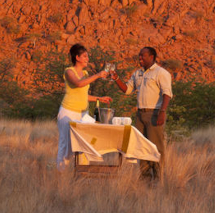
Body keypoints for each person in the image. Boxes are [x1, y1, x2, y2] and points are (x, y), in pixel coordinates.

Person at [111, 47, 172, 180]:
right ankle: (145, 178)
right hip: (140, 114)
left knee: (156, 147)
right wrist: (116, 79)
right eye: (139, 56)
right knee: (141, 146)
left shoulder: (161, 73)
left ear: (152, 57)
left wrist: (162, 112)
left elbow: (167, 94)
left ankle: (159, 178)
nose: (140, 59)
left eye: (143, 56)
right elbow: (127, 90)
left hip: (154, 113)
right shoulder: (137, 73)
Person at [56, 43, 112, 171]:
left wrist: (99, 98)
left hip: (83, 113)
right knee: (66, 145)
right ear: (77, 57)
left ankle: (83, 173)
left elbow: (83, 95)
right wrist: (97, 75)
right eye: (85, 56)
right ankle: (61, 175)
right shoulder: (69, 71)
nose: (87, 59)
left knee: (85, 144)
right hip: (68, 113)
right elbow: (79, 84)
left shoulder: (86, 73)